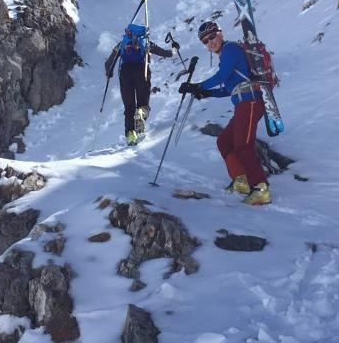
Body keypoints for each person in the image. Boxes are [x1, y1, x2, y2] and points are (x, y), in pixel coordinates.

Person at [179, 20, 271, 205]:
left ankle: (261, 189)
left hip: (251, 101)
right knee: (225, 141)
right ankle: (242, 181)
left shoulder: (230, 49)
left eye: (212, 36)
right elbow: (229, 88)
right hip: (243, 103)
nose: (210, 42)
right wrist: (206, 93)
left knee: (243, 146)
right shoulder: (226, 54)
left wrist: (198, 86)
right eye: (205, 41)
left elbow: (222, 76)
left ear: (220, 33)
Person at [105, 23, 176, 146]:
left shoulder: (122, 43)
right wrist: (175, 49)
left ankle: (131, 136)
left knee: (129, 107)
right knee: (143, 103)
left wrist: (109, 73)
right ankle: (141, 113)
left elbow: (108, 64)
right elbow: (166, 53)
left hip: (125, 73)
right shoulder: (146, 42)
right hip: (142, 71)